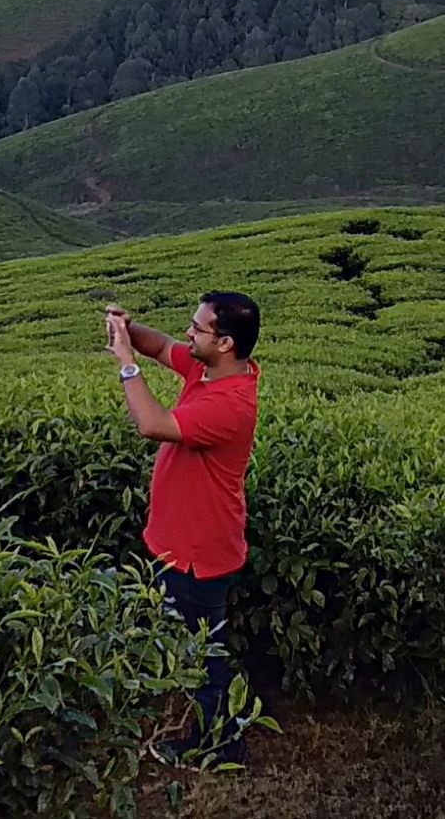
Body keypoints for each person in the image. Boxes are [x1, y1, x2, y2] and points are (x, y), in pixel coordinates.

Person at [107, 291, 262, 766]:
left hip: (198, 553)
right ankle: (218, 732)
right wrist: (126, 331)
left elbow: (152, 424)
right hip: (180, 542)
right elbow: (160, 345)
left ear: (226, 343)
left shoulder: (231, 403)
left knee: (203, 657)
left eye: (199, 328)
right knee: (194, 646)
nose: (188, 334)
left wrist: (125, 364)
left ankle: (219, 744)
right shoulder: (209, 369)